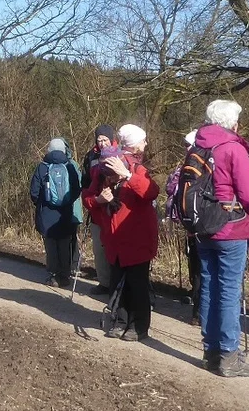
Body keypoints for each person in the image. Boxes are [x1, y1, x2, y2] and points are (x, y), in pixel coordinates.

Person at [193, 99, 249, 377]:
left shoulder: (198, 145)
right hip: (230, 227)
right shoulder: (233, 148)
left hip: (202, 226)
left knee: (209, 287)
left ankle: (211, 351)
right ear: (232, 123)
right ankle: (229, 355)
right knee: (229, 291)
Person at [81, 125, 160, 342]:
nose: (145, 145)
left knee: (138, 284)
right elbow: (87, 198)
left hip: (137, 238)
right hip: (114, 239)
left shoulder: (138, 169)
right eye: (143, 141)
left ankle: (139, 326)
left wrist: (127, 176)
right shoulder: (101, 171)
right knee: (117, 284)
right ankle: (119, 321)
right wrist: (98, 200)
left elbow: (151, 192)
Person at [29, 138, 83, 287]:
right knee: (65, 244)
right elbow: (77, 190)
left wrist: (40, 203)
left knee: (51, 245)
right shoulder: (70, 166)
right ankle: (65, 276)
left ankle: (53, 276)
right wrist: (68, 201)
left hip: (46, 214)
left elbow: (34, 191)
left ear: (49, 150)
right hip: (65, 214)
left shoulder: (42, 167)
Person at [165, 129, 202, 324]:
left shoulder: (201, 167)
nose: (186, 149)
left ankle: (201, 310)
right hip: (190, 227)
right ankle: (198, 310)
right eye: (186, 146)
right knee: (195, 268)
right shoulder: (183, 169)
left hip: (204, 226)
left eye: (189, 145)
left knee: (202, 269)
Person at [80, 124, 116, 296]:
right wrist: (92, 198)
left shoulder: (120, 153)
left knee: (114, 249)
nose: (102, 143)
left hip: (114, 211)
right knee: (99, 249)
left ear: (112, 139)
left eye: (105, 140)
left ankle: (116, 283)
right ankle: (104, 282)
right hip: (96, 209)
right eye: (99, 140)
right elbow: (85, 181)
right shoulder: (91, 156)